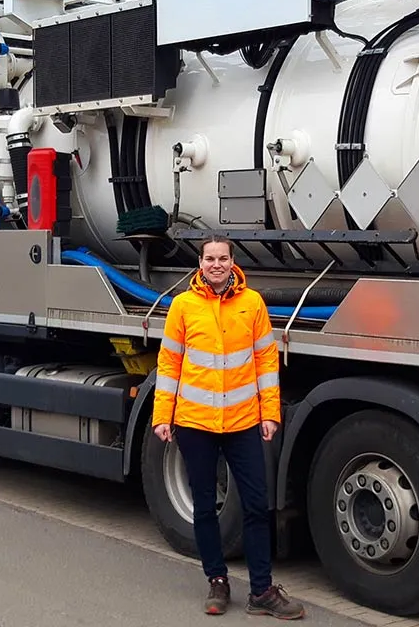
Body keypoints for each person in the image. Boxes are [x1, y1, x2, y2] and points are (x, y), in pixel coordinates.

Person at [152, 235, 305, 620]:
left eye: (222, 258)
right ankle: (216, 581)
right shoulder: (183, 307)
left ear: (233, 262)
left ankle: (262, 591)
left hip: (242, 422)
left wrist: (270, 414)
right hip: (194, 423)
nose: (216, 264)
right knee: (205, 506)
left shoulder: (252, 304)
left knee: (256, 504)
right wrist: (162, 417)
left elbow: (266, 361)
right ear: (200, 264)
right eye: (209, 258)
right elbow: (169, 363)